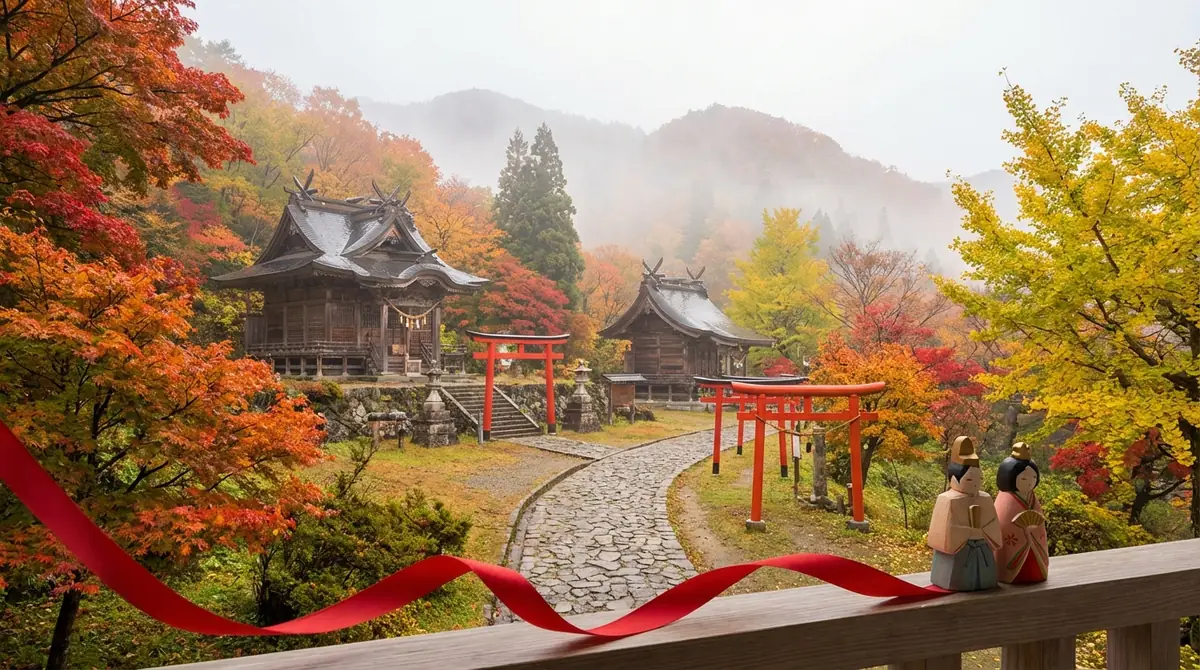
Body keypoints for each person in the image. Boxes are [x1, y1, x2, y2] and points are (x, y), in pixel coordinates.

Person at [927, 436, 1002, 591]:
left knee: (985, 575)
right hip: (959, 551)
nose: (975, 484)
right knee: (956, 575)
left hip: (982, 546)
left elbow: (993, 524)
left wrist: (983, 532)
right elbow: (942, 532)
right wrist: (968, 532)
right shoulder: (947, 499)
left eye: (979, 479)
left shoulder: (985, 498)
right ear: (954, 478)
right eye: (969, 480)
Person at [994, 442, 1049, 583]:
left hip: (1034, 541)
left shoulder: (1032, 497)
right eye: (1024, 478)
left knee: (1035, 564)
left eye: (1033, 478)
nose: (1030, 482)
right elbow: (1003, 523)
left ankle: (1036, 572)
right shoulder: (1006, 499)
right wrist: (1021, 530)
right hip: (1015, 541)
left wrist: (1034, 528)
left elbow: (1038, 522)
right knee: (1011, 552)